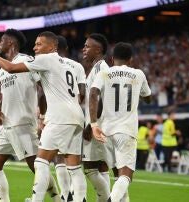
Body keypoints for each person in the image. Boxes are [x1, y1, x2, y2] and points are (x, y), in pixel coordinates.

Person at [0, 31, 87, 202]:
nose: (35, 47)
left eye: (39, 44)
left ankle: (47, 200)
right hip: (75, 115)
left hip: (45, 119)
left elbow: (14, 70)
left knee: (40, 163)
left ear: (52, 46)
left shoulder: (41, 60)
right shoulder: (68, 64)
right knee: (74, 167)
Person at [89, 42, 151, 202]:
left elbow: (93, 93)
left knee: (113, 173)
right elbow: (148, 98)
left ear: (112, 58)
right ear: (130, 60)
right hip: (127, 130)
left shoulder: (104, 74)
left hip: (106, 131)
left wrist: (94, 124)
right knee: (125, 174)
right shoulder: (139, 74)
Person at [54, 35, 86, 201]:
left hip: (59, 115)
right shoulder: (78, 66)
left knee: (57, 157)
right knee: (74, 162)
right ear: (66, 49)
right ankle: (79, 197)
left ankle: (65, 194)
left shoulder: (50, 63)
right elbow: (83, 93)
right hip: (76, 115)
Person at [82, 33, 111, 202]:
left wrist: (90, 125)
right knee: (101, 167)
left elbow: (101, 99)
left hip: (97, 126)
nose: (84, 49)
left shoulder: (101, 67)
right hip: (99, 125)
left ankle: (108, 199)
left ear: (98, 50)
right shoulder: (96, 68)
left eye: (87, 46)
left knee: (90, 168)